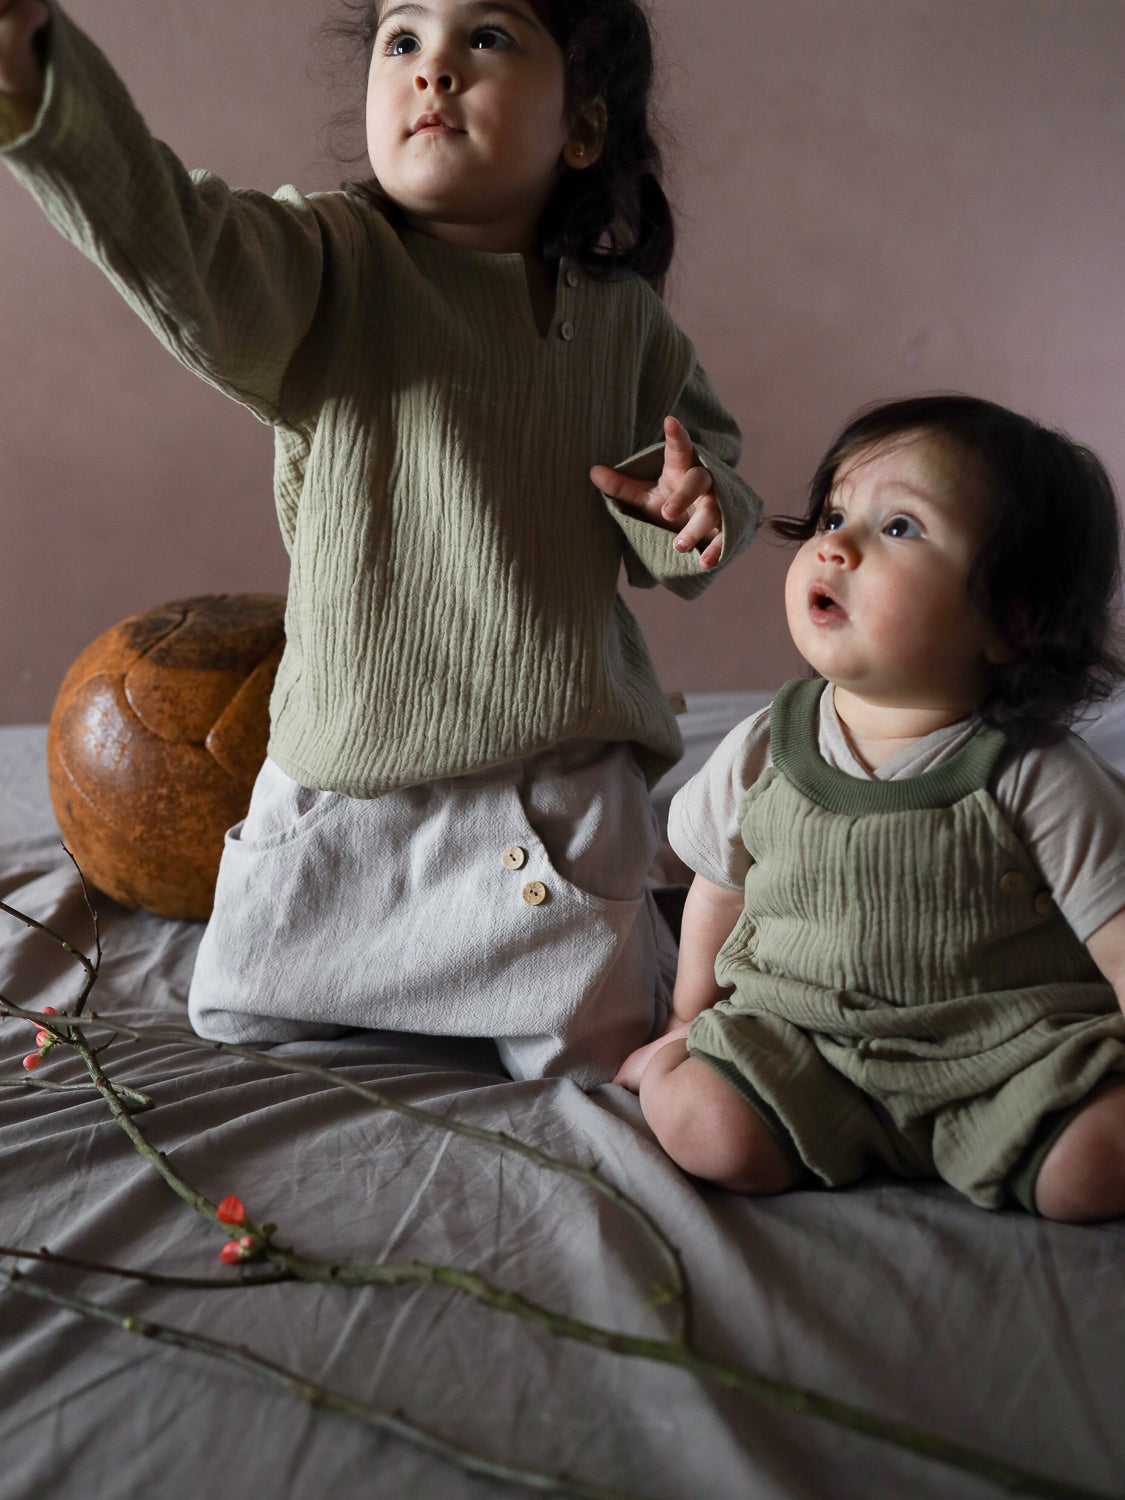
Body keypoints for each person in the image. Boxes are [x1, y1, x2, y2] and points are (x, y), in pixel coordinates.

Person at [0, 0, 761, 1083]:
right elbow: (178, 237)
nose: (433, 69)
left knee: (594, 1059)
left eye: (486, 38)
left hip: (551, 795)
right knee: (238, 1021)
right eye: (404, 40)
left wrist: (694, 503)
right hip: (347, 790)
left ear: (582, 127)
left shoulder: (628, 324)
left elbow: (702, 486)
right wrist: (42, 89)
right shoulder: (329, 265)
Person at [615, 394, 1125, 1222]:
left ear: (1012, 620)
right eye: (834, 513)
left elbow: (1115, 930)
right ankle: (686, 1074)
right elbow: (716, 886)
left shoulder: (1034, 771)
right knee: (714, 1133)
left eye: (899, 528)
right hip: (801, 1042)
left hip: (1000, 1050)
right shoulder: (765, 745)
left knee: (1091, 1172)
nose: (834, 545)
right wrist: (686, 1020)